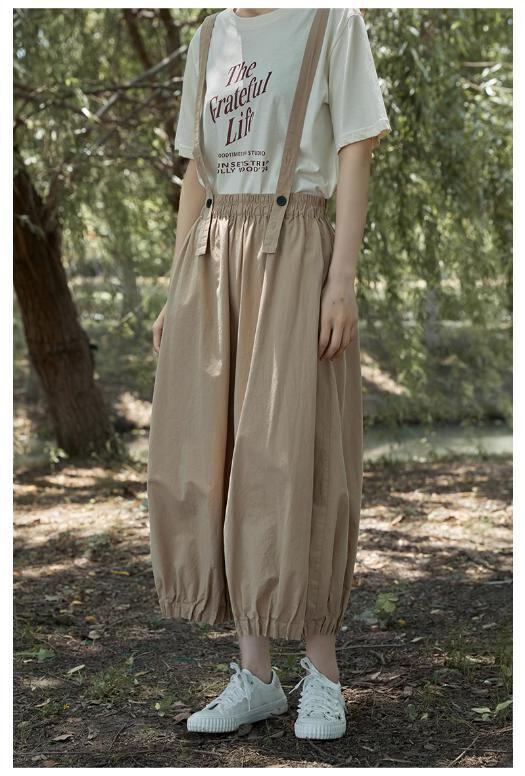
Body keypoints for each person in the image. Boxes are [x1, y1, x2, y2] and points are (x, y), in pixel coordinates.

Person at [147, 6, 391, 740]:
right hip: (213, 254)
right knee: (217, 457)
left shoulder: (330, 21)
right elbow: (197, 172)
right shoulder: (208, 37)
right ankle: (255, 677)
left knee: (296, 455)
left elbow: (355, 148)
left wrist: (340, 279)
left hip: (297, 245)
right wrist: (174, 287)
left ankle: (324, 676)